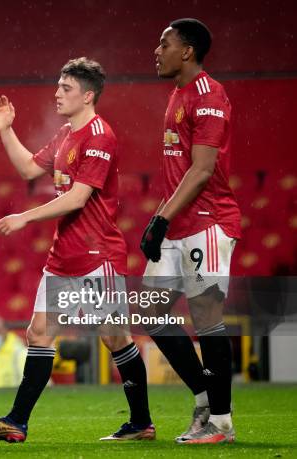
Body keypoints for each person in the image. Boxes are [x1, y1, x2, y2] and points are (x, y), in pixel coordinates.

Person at [0, 58, 153, 442]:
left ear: (88, 95)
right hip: (64, 257)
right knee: (38, 334)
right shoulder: (67, 133)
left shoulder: (101, 135)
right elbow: (28, 169)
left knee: (115, 338)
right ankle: (17, 421)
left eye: (65, 88)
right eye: (57, 86)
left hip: (96, 255)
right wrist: (6, 130)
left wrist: (24, 217)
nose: (56, 93)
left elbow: (77, 198)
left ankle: (140, 424)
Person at [140, 18, 241, 444]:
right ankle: (203, 398)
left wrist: (162, 219)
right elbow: (179, 173)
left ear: (187, 51)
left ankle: (220, 422)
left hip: (208, 223)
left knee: (206, 319)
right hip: (177, 224)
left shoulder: (208, 94)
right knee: (149, 311)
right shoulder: (176, 96)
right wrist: (159, 218)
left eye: (164, 43)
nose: (156, 51)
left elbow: (201, 171)